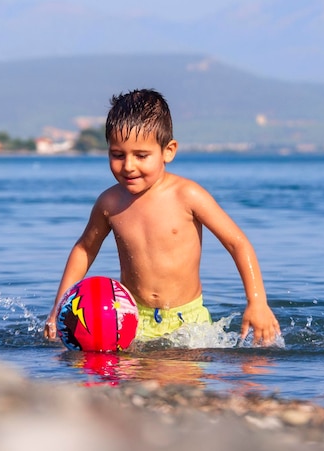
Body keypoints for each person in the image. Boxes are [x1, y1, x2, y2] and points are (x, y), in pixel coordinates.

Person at [44, 89, 280, 345]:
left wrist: (257, 302)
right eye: (117, 155)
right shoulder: (109, 203)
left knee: (183, 382)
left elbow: (238, 243)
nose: (129, 166)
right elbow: (84, 249)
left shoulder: (187, 195)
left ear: (168, 151)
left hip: (187, 322)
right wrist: (60, 306)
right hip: (132, 320)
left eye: (141, 155)